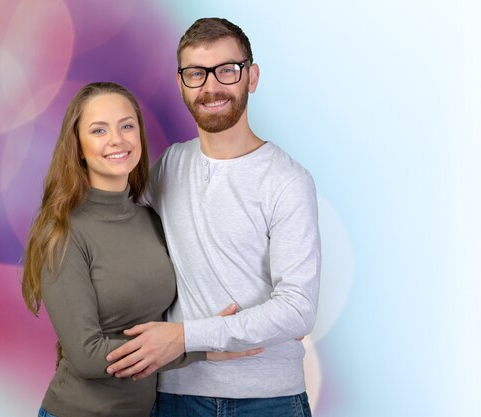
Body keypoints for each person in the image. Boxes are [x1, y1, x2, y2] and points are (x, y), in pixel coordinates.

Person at [105, 18, 321, 417]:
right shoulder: (170, 165)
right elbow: (112, 233)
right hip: (175, 396)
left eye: (227, 70)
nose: (211, 86)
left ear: (251, 77)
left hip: (268, 401)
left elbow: (297, 309)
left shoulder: (288, 181)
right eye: (196, 74)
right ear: (182, 84)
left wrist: (186, 337)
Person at [21, 81, 259, 417]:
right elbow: (87, 355)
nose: (117, 139)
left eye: (127, 126)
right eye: (99, 130)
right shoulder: (62, 232)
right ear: (78, 146)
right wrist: (197, 347)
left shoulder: (149, 218)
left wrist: (255, 319)